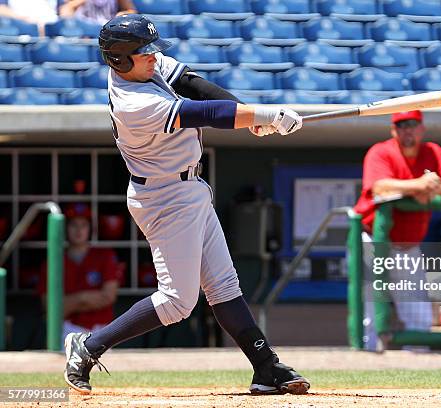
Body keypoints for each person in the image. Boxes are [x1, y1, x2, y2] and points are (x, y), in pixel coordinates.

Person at [63, 14, 309, 396]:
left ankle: (266, 367)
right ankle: (89, 346)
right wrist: (262, 115)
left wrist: (250, 118)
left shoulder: (144, 68)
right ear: (119, 60)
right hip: (162, 197)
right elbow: (203, 113)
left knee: (224, 285)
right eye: (142, 53)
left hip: (188, 186)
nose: (152, 57)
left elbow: (197, 87)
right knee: (178, 301)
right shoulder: (133, 102)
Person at [353, 110, 441, 352]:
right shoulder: (380, 151)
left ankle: (417, 374)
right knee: (371, 314)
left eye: (413, 125)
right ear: (393, 130)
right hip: (374, 241)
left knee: (419, 317)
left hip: (408, 247)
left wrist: (432, 190)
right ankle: (364, 366)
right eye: (402, 125)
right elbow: (380, 187)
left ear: (421, 129)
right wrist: (420, 185)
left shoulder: (432, 151)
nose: (408, 130)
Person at [38, 203, 121, 345]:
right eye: (73, 225)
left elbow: (108, 296)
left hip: (101, 328)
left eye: (83, 225)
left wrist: (70, 302)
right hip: (67, 329)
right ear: (65, 228)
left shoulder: (105, 255)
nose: (79, 230)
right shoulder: (53, 260)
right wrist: (84, 299)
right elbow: (49, 307)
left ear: (90, 228)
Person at [59, 0, 137, 25]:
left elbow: (132, 11)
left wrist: (122, 15)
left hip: (109, 31)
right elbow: (65, 11)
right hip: (84, 35)